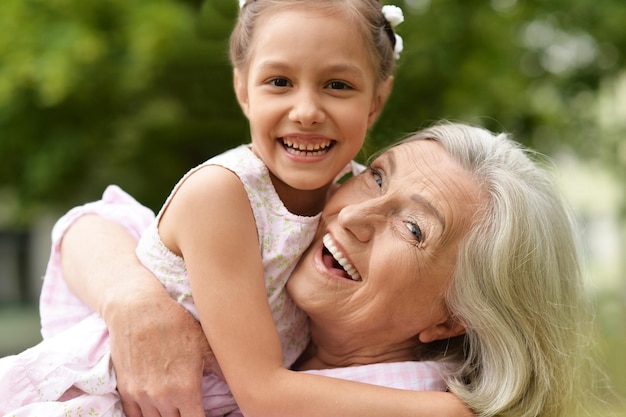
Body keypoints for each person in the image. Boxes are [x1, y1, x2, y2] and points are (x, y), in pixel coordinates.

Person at [0, 0, 475, 416]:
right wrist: (448, 411)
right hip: (116, 399)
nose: (307, 110)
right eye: (279, 81)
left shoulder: (355, 196)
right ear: (243, 89)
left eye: (337, 85)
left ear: (377, 100)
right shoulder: (222, 196)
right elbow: (263, 393)